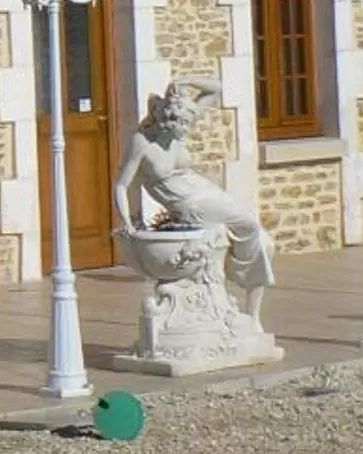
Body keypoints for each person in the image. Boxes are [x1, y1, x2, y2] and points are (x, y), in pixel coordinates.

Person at [111, 81, 276, 317]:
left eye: (188, 123)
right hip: (187, 204)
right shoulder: (142, 143)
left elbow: (216, 89)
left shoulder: (180, 124)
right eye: (183, 125)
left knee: (261, 237)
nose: (187, 129)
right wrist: (126, 221)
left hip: (203, 189)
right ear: (168, 121)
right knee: (249, 224)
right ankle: (238, 272)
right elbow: (121, 184)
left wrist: (185, 81)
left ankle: (252, 310)